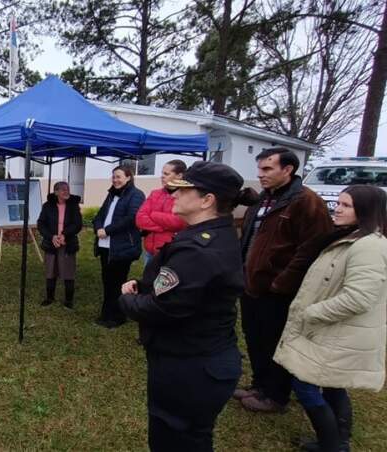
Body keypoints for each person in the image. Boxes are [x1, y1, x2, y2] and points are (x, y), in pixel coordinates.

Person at [118, 161, 258, 451]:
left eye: (183, 191)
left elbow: (164, 309)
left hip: (189, 367)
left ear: (207, 200)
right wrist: (145, 287)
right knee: (191, 438)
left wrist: (127, 299)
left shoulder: (199, 248)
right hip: (201, 359)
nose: (174, 195)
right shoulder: (212, 234)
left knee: (174, 438)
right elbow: (186, 289)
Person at [274, 185, 387, 452]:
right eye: (339, 202)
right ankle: (339, 441)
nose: (337, 208)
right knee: (333, 385)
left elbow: (359, 297)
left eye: (346, 205)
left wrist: (312, 313)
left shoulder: (368, 246)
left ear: (366, 211)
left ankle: (331, 444)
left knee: (305, 385)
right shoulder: (353, 238)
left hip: (335, 331)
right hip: (333, 331)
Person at [236, 147, 333, 413]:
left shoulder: (305, 202)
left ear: (288, 170)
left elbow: (312, 248)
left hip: (278, 290)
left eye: (267, 169)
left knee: (275, 341)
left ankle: (276, 396)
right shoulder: (263, 199)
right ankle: (259, 384)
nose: (261, 175)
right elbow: (249, 238)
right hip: (250, 283)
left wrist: (282, 283)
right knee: (254, 337)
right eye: (260, 169)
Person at [92, 165, 145, 328]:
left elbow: (131, 218)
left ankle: (117, 317)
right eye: (113, 176)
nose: (115, 180)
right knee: (107, 282)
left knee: (117, 283)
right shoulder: (111, 195)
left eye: (119, 176)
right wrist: (98, 228)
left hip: (122, 247)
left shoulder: (136, 195)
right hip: (105, 246)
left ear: (128, 177)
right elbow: (100, 215)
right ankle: (106, 314)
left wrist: (107, 230)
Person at [37, 181, 83, 308]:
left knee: (68, 272)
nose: (66, 191)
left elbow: (77, 224)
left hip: (67, 243)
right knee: (50, 271)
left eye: (67, 189)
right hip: (51, 243)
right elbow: (41, 223)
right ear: (56, 192)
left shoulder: (73, 205)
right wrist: (51, 237)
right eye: (63, 189)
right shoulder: (47, 206)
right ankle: (49, 298)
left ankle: (68, 301)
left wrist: (64, 234)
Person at [136, 159, 188, 264]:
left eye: (166, 174)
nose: (162, 176)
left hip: (170, 251)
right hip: (149, 251)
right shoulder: (155, 193)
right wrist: (165, 227)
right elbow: (139, 219)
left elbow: (178, 222)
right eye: (162, 173)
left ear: (179, 176)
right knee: (147, 280)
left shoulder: (185, 196)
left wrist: (153, 215)